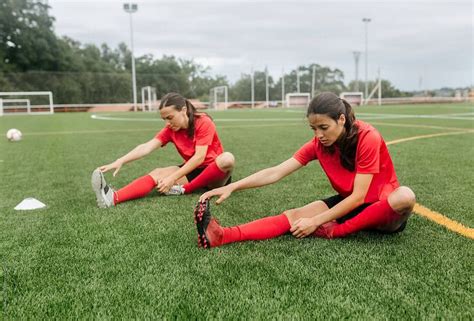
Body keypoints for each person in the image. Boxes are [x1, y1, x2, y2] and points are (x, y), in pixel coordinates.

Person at [195, 92, 416, 248]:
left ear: (341, 119)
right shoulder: (319, 144)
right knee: (294, 216)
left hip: (382, 210)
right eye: (313, 128)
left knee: (405, 196)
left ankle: (333, 231)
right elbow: (276, 171)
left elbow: (359, 197)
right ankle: (223, 236)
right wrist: (233, 186)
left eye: (324, 128)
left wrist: (317, 222)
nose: (318, 135)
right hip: (348, 203)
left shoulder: (368, 137)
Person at [91, 92, 235, 208]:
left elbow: (199, 158)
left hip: (215, 174)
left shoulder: (203, 122)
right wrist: (120, 160)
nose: (168, 123)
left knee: (227, 158)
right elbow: (147, 147)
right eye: (164, 119)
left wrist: (172, 178)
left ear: (183, 110)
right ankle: (112, 198)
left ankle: (186, 189)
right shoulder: (170, 129)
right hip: (193, 171)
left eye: (170, 117)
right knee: (157, 173)